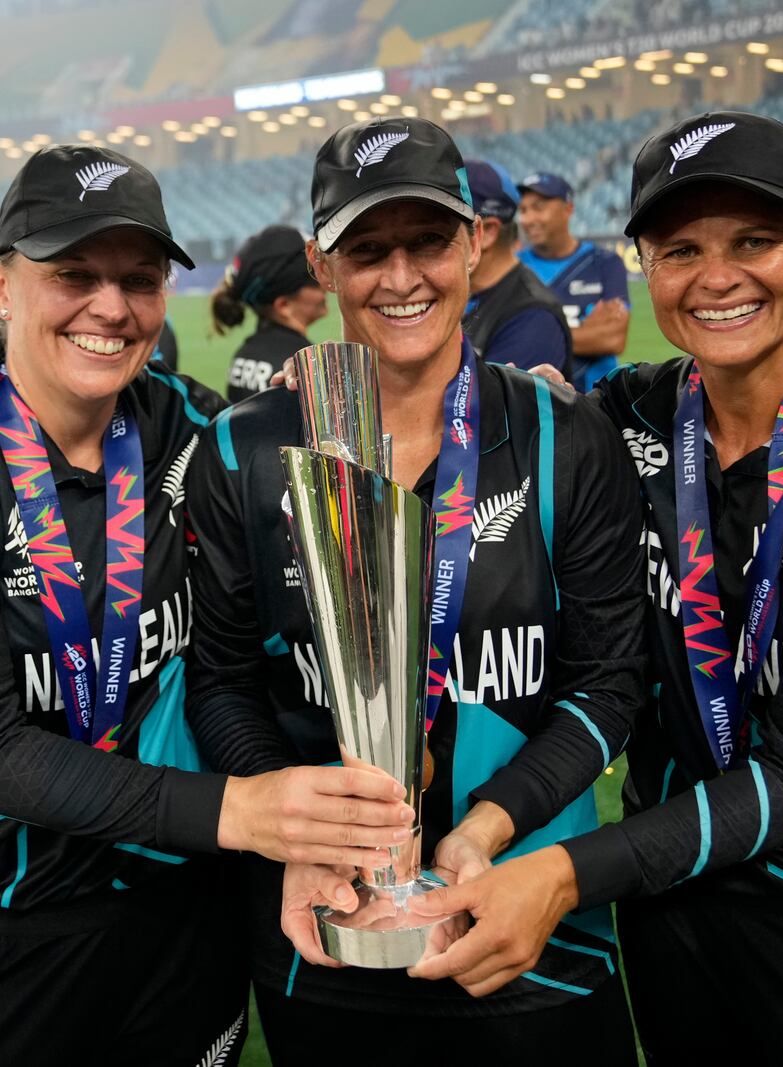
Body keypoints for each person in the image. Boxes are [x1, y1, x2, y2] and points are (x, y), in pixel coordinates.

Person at [410, 112, 783, 1065]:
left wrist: (562, 874)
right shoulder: (623, 421)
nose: (717, 276)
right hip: (675, 899)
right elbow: (474, 435)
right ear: (645, 264)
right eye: (681, 248)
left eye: (755, 241)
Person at [0, 143, 415, 1066]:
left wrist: (500, 397)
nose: (111, 306)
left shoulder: (191, 427)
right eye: (74, 273)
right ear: (0, 281)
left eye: (138, 279)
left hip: (183, 915)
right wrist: (242, 811)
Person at [187, 117, 645, 1065]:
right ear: (322, 264)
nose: (401, 277)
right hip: (322, 935)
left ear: (475, 241)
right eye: (367, 249)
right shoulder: (243, 448)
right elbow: (222, 681)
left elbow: (610, 682)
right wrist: (294, 827)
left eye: (428, 241)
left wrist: (487, 826)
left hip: (526, 932)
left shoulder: (565, 435)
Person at [517, 171, 631, 391]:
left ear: (568, 209)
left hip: (596, 401)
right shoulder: (513, 267)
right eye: (523, 210)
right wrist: (585, 333)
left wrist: (532, 336)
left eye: (539, 207)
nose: (529, 219)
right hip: (535, 401)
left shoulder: (604, 263)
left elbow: (613, 339)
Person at [461, 159, 574, 378]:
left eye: (440, 232)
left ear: (485, 232)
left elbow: (487, 409)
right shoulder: (472, 295)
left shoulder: (533, 319)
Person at [211, 224, 328, 401]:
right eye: (314, 277)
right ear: (283, 306)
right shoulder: (301, 368)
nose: (325, 285)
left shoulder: (244, 356)